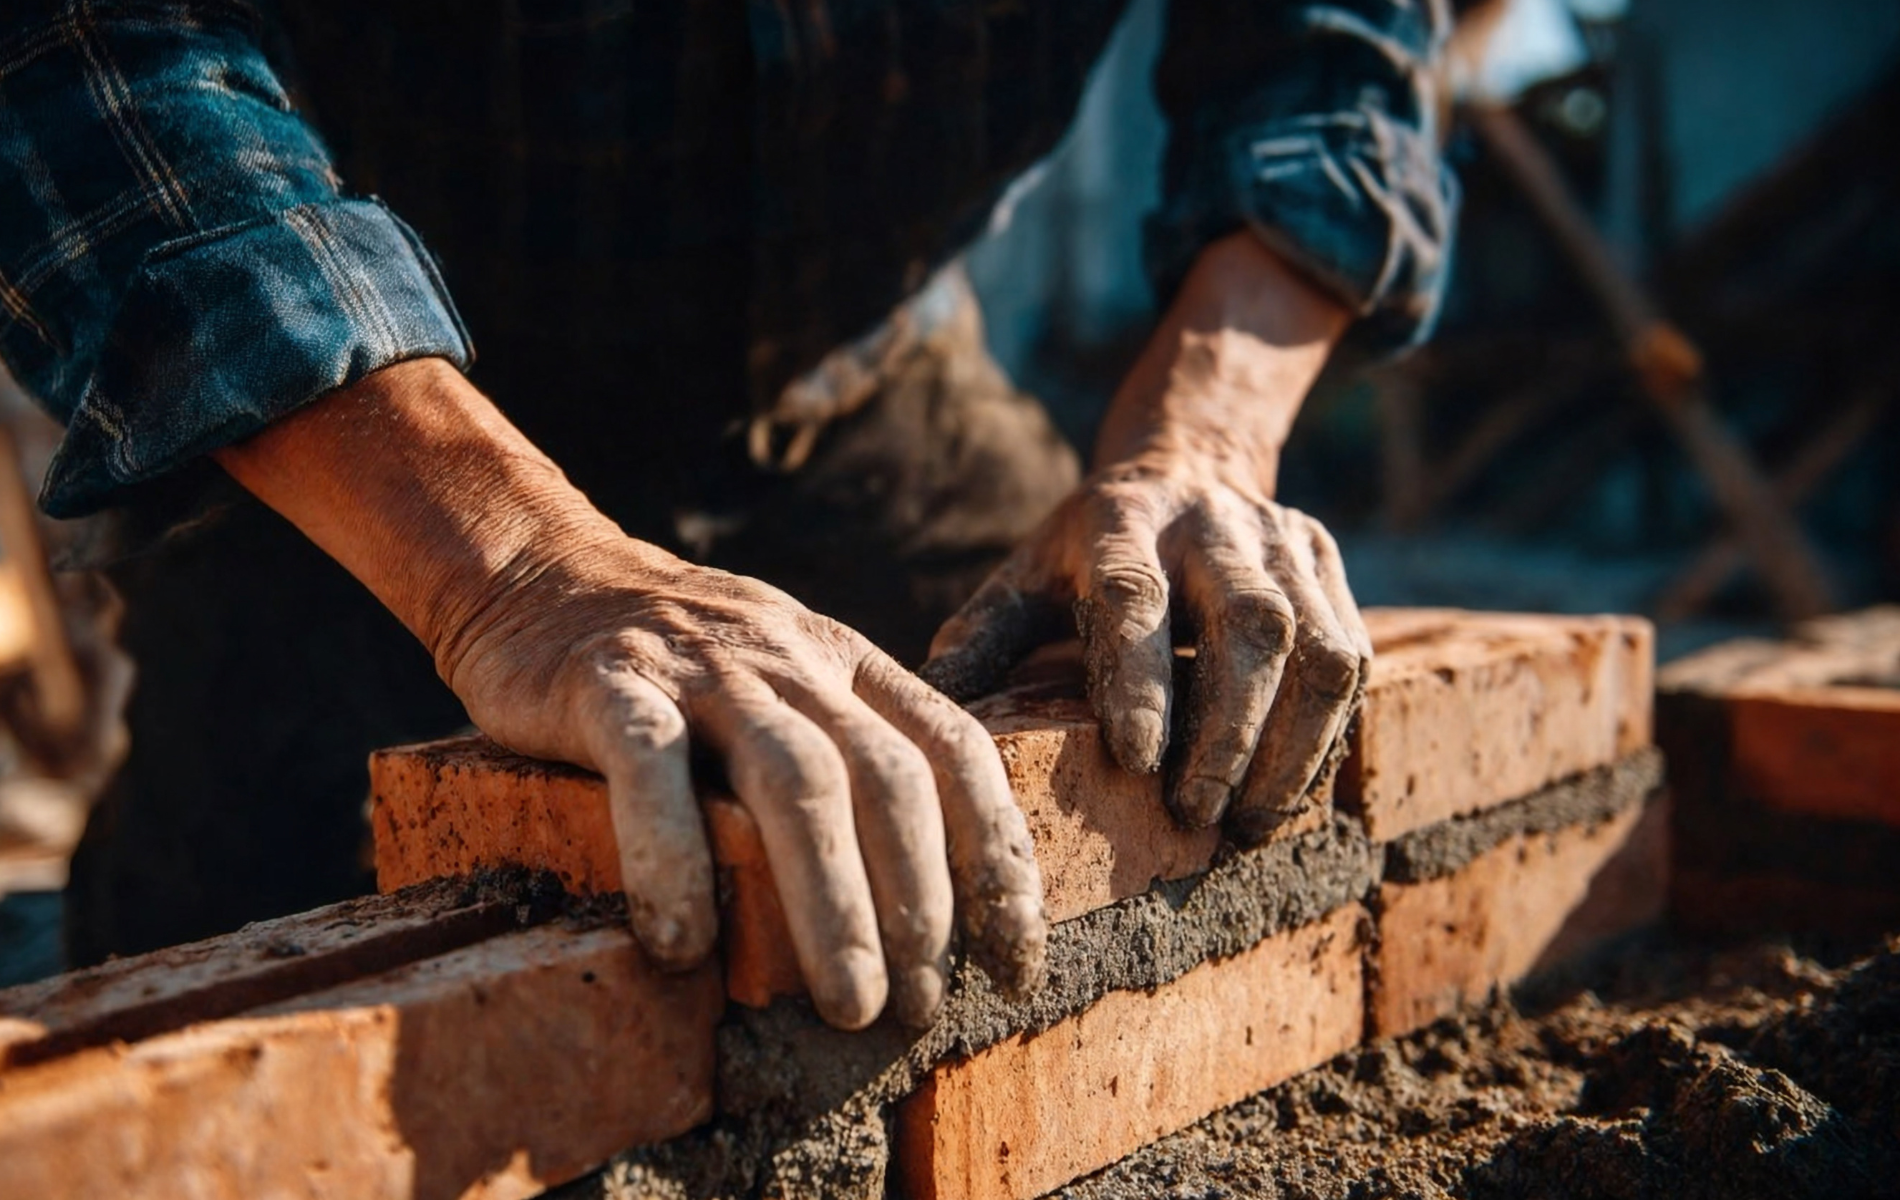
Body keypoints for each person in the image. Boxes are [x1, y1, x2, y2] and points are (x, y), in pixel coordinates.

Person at [0, 0, 1455, 1031]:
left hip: (867, 382)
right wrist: (519, 567)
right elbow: (87, 55)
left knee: (1076, 804)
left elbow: (1324, 55)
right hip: (355, 457)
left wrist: (1198, 438)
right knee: (231, 971)